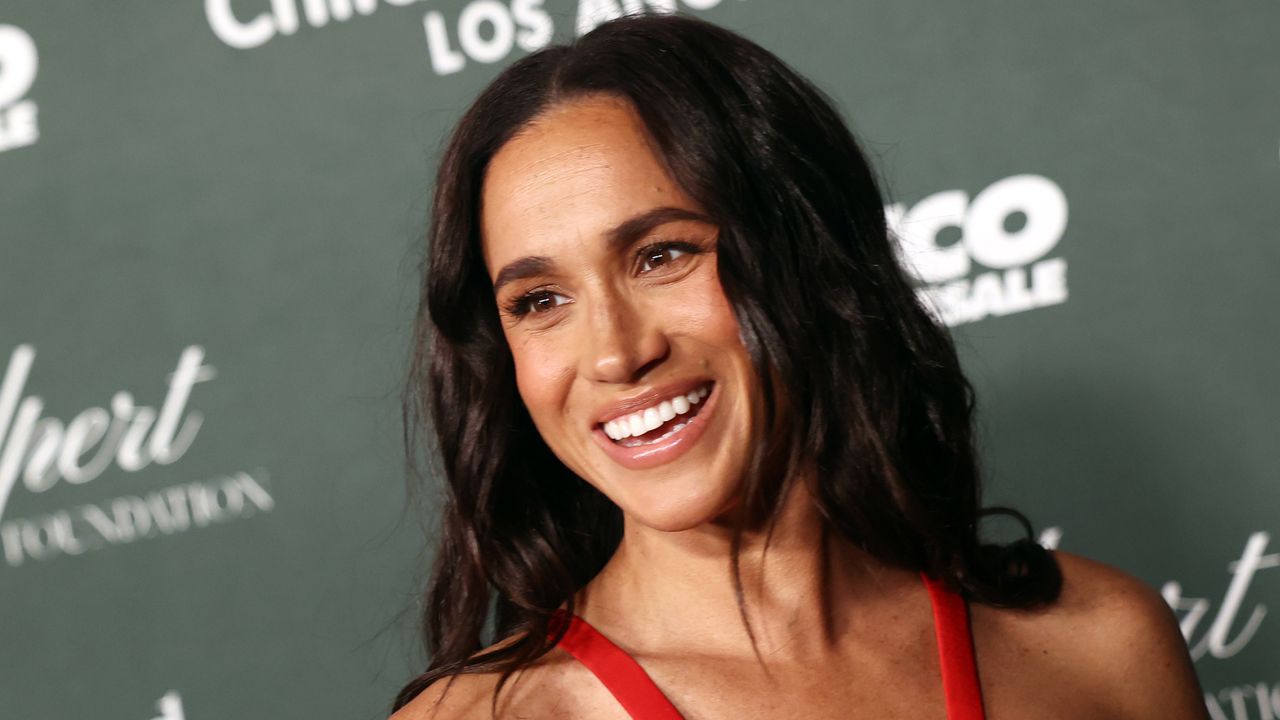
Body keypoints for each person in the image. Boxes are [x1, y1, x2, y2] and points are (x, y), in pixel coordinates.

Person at [390, 13, 1206, 720]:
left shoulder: (1104, 648)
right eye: (539, 301)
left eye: (661, 255)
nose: (615, 351)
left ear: (807, 254)